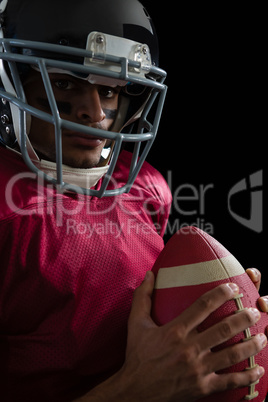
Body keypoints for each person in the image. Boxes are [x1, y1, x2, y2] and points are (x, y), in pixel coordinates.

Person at [0, 0, 267, 401]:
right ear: (10, 82)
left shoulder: (143, 185)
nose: (95, 113)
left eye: (108, 89)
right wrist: (132, 390)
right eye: (66, 84)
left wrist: (208, 304)